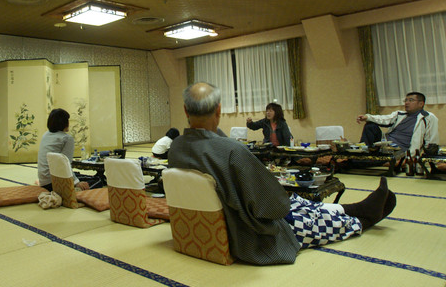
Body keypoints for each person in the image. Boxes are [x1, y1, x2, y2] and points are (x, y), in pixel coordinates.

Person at [169, 82, 396, 265]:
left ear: (185, 110)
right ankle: (361, 219)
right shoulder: (232, 151)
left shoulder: (177, 146)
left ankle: (352, 208)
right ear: (219, 110)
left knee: (295, 201)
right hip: (244, 233)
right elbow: (273, 207)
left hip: (216, 224)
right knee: (297, 214)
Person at [356, 92, 439, 153]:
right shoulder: (400, 114)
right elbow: (384, 119)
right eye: (406, 100)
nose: (407, 103)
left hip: (401, 150)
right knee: (370, 126)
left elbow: (431, 142)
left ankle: (361, 160)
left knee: (359, 162)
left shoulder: (428, 117)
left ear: (421, 104)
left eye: (411, 100)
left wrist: (418, 158)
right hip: (385, 145)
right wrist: (367, 117)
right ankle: (363, 153)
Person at [36, 108, 90, 192]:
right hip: (55, 183)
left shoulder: (45, 135)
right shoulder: (66, 138)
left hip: (43, 181)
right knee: (96, 181)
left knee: (80, 175)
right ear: (64, 123)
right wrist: (77, 182)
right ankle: (74, 191)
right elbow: (65, 164)